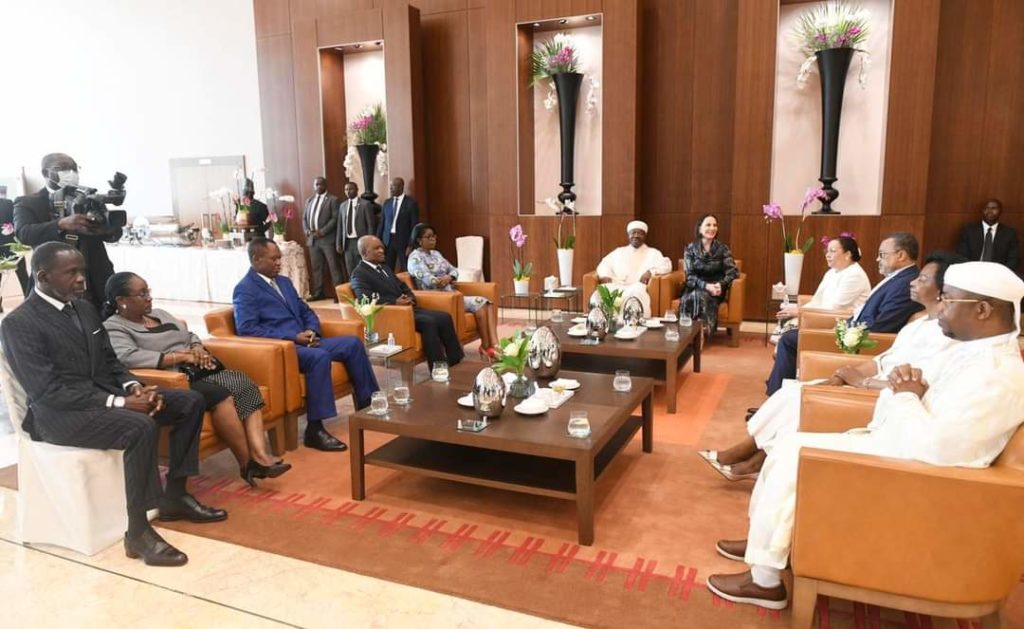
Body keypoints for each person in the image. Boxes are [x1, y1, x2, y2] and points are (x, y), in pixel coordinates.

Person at [706, 261, 1024, 610]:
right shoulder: (973, 353)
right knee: (788, 446)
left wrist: (905, 395)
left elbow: (938, 448)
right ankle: (763, 550)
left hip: (917, 478)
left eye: (948, 299)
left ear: (982, 310)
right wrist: (902, 389)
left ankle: (765, 580)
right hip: (898, 447)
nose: (941, 308)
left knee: (792, 453)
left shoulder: (997, 375)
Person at [0, 242, 227, 567]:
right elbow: (47, 391)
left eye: (82, 271)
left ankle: (175, 495)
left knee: (189, 401)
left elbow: (110, 361)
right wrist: (120, 402)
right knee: (140, 426)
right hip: (60, 416)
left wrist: (136, 388)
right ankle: (138, 532)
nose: (81, 279)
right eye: (71, 273)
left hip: (103, 397)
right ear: (43, 277)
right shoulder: (19, 323)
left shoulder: (84, 308)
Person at [701, 252, 964, 479]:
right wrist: (844, 374)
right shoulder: (919, 325)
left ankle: (748, 457)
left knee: (798, 398)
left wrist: (861, 381)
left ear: (944, 291)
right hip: (867, 383)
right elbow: (881, 361)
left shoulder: (949, 338)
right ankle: (751, 455)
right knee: (792, 392)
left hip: (882, 396)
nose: (913, 282)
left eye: (922, 279)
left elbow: (915, 386)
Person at [103, 272, 291, 487]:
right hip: (176, 378)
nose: (149, 298)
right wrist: (180, 356)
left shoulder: (159, 314)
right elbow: (127, 356)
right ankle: (246, 463)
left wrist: (197, 348)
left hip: (198, 369)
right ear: (122, 300)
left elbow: (189, 334)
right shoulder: (114, 327)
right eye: (141, 294)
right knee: (222, 395)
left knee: (243, 383)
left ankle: (260, 456)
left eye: (148, 291)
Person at [233, 238, 379, 452]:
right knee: (319, 357)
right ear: (256, 259)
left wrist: (312, 330)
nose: (279, 263)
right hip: (284, 347)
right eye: (274, 259)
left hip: (307, 340)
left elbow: (306, 311)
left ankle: (369, 404)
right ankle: (315, 429)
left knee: (353, 344)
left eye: (279, 258)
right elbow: (247, 329)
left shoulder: (284, 282)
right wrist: (293, 337)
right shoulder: (245, 289)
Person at [764, 232, 924, 396]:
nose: (877, 259)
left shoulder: (905, 284)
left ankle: (775, 394)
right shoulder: (897, 279)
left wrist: (842, 332)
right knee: (790, 337)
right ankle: (777, 391)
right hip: (851, 331)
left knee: (789, 339)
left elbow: (881, 326)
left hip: (859, 342)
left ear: (901, 255)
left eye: (882, 255)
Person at [14, 153, 122, 309]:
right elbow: (24, 233)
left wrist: (104, 229)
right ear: (45, 173)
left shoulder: (89, 198)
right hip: (53, 280)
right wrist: (60, 224)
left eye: (74, 169)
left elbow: (114, 233)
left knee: (100, 319)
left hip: (96, 278)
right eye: (63, 168)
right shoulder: (28, 202)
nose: (71, 173)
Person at [351, 235, 464, 370]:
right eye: (376, 248)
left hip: (407, 308)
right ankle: (437, 367)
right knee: (429, 322)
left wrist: (410, 297)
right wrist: (395, 302)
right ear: (364, 253)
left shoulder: (384, 268)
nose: (381, 250)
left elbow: (403, 286)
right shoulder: (359, 274)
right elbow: (366, 299)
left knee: (444, 317)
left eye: (381, 247)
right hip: (392, 313)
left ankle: (455, 359)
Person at [407, 223, 499, 358]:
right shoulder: (415, 258)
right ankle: (487, 346)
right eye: (429, 237)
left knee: (487, 303)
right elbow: (427, 279)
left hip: (451, 294)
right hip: (437, 298)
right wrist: (440, 280)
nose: (433, 239)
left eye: (434, 236)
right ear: (419, 240)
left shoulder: (436, 254)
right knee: (480, 302)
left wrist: (449, 277)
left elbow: (454, 270)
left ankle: (493, 344)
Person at [771, 236, 871, 341]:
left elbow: (835, 307)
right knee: (786, 323)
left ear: (847, 254)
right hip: (823, 318)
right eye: (827, 251)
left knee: (787, 337)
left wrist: (800, 313)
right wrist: (799, 310)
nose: (827, 255)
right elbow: (817, 300)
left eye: (832, 251)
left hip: (841, 324)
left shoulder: (854, 275)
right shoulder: (832, 272)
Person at [590, 220, 672, 317]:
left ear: (644, 236)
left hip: (637, 286)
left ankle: (632, 321)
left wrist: (651, 272)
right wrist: (605, 275)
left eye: (640, 233)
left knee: (636, 293)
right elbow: (604, 264)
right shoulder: (619, 251)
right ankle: (601, 320)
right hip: (617, 285)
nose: (636, 236)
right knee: (601, 292)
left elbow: (666, 265)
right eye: (633, 233)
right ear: (629, 235)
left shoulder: (653, 253)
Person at [679, 214, 739, 339]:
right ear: (700, 228)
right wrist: (706, 286)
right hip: (695, 286)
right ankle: (689, 334)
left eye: (715, 225)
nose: (712, 228)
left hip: (716, 289)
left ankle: (697, 335)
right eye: (708, 225)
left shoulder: (722, 249)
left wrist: (721, 284)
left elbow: (733, 272)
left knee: (702, 296)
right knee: (692, 296)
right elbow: (690, 275)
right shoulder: (690, 249)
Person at [302, 176, 344, 300]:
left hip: (327, 239)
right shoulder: (309, 200)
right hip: (313, 240)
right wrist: (307, 231)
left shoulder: (333, 200)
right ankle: (319, 292)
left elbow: (335, 219)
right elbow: (304, 218)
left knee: (334, 267)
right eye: (316, 184)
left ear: (325, 185)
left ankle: (339, 294)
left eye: (321, 184)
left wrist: (322, 232)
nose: (318, 186)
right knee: (317, 268)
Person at [956, 198, 1019, 270]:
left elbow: (1014, 259)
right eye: (986, 208)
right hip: (974, 271)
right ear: (982, 211)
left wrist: (1002, 273)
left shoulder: (1009, 233)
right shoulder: (969, 231)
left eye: (994, 208)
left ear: (1000, 211)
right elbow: (961, 256)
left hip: (998, 272)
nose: (990, 211)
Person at [336, 180, 377, 280]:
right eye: (346, 189)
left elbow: (371, 225)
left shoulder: (365, 204)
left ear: (357, 190)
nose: (348, 191)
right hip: (347, 243)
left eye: (351, 189)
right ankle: (354, 288)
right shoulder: (343, 206)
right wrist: (338, 243)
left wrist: (369, 243)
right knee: (350, 270)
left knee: (363, 269)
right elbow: (340, 226)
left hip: (361, 241)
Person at [378, 177, 420, 272]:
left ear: (401, 187)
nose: (391, 188)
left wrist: (411, 245)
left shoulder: (411, 203)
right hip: (388, 240)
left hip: (403, 241)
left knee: (406, 267)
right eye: (390, 186)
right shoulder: (387, 203)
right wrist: (378, 239)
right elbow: (382, 223)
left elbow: (414, 226)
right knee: (387, 268)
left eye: (393, 186)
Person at [0, 185, 28, 298]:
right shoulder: (8, 203)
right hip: (13, 245)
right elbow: (16, 221)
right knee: (22, 274)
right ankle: (28, 298)